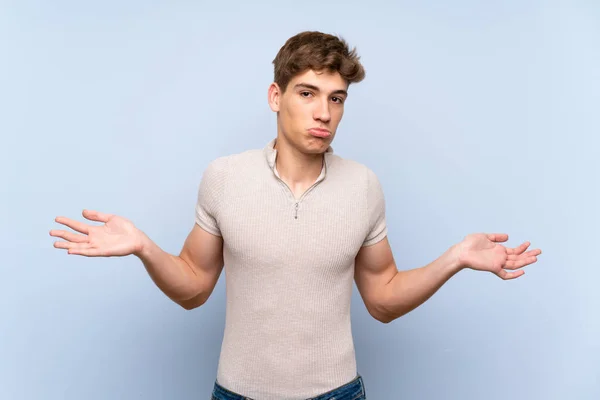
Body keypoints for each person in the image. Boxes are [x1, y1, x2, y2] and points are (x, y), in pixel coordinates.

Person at [49, 31, 542, 400]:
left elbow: (383, 299)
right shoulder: (224, 177)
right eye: (307, 93)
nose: (324, 112)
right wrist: (144, 248)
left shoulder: (364, 185)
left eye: (336, 98)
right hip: (238, 394)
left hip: (337, 394)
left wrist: (453, 258)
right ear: (276, 97)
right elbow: (194, 287)